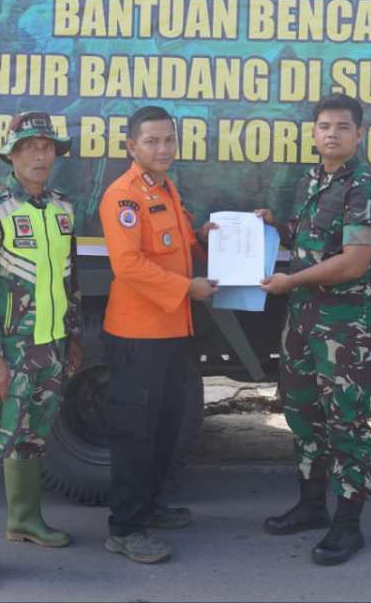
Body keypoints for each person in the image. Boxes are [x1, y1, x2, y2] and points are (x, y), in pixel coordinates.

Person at [256, 93, 371, 566]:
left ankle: (348, 524)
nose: (332, 134)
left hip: (343, 328)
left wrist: (290, 281)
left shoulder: (364, 190)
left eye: (342, 127)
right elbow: (308, 239)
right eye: (324, 126)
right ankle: (312, 506)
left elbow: (353, 262)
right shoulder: (311, 181)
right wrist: (273, 226)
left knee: (346, 423)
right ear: (314, 133)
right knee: (302, 414)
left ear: (359, 134)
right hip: (302, 322)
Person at [0, 112, 81, 591]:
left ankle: (24, 519)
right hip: (8, 352)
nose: (40, 155)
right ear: (11, 155)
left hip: (50, 348)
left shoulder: (62, 209)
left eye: (47, 147)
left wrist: (73, 336)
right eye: (29, 147)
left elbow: (68, 277)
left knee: (33, 438)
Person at [98, 105, 218, 564]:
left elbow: (177, 246)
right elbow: (128, 266)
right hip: (138, 335)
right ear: (132, 146)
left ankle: (149, 506)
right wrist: (188, 288)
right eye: (152, 141)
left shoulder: (166, 189)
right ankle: (125, 529)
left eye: (168, 140)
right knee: (134, 433)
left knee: (167, 425)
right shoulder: (123, 196)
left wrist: (204, 235)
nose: (163, 148)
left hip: (172, 330)